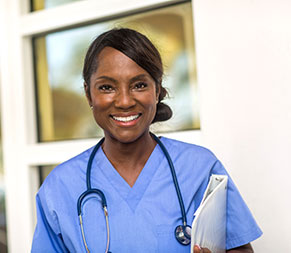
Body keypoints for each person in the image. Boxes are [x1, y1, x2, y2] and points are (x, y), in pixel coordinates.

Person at [31, 28, 262, 253]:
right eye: (107, 87)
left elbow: (239, 248)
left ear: (157, 89)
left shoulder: (200, 168)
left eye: (139, 85)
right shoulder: (59, 188)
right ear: (88, 94)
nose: (124, 101)